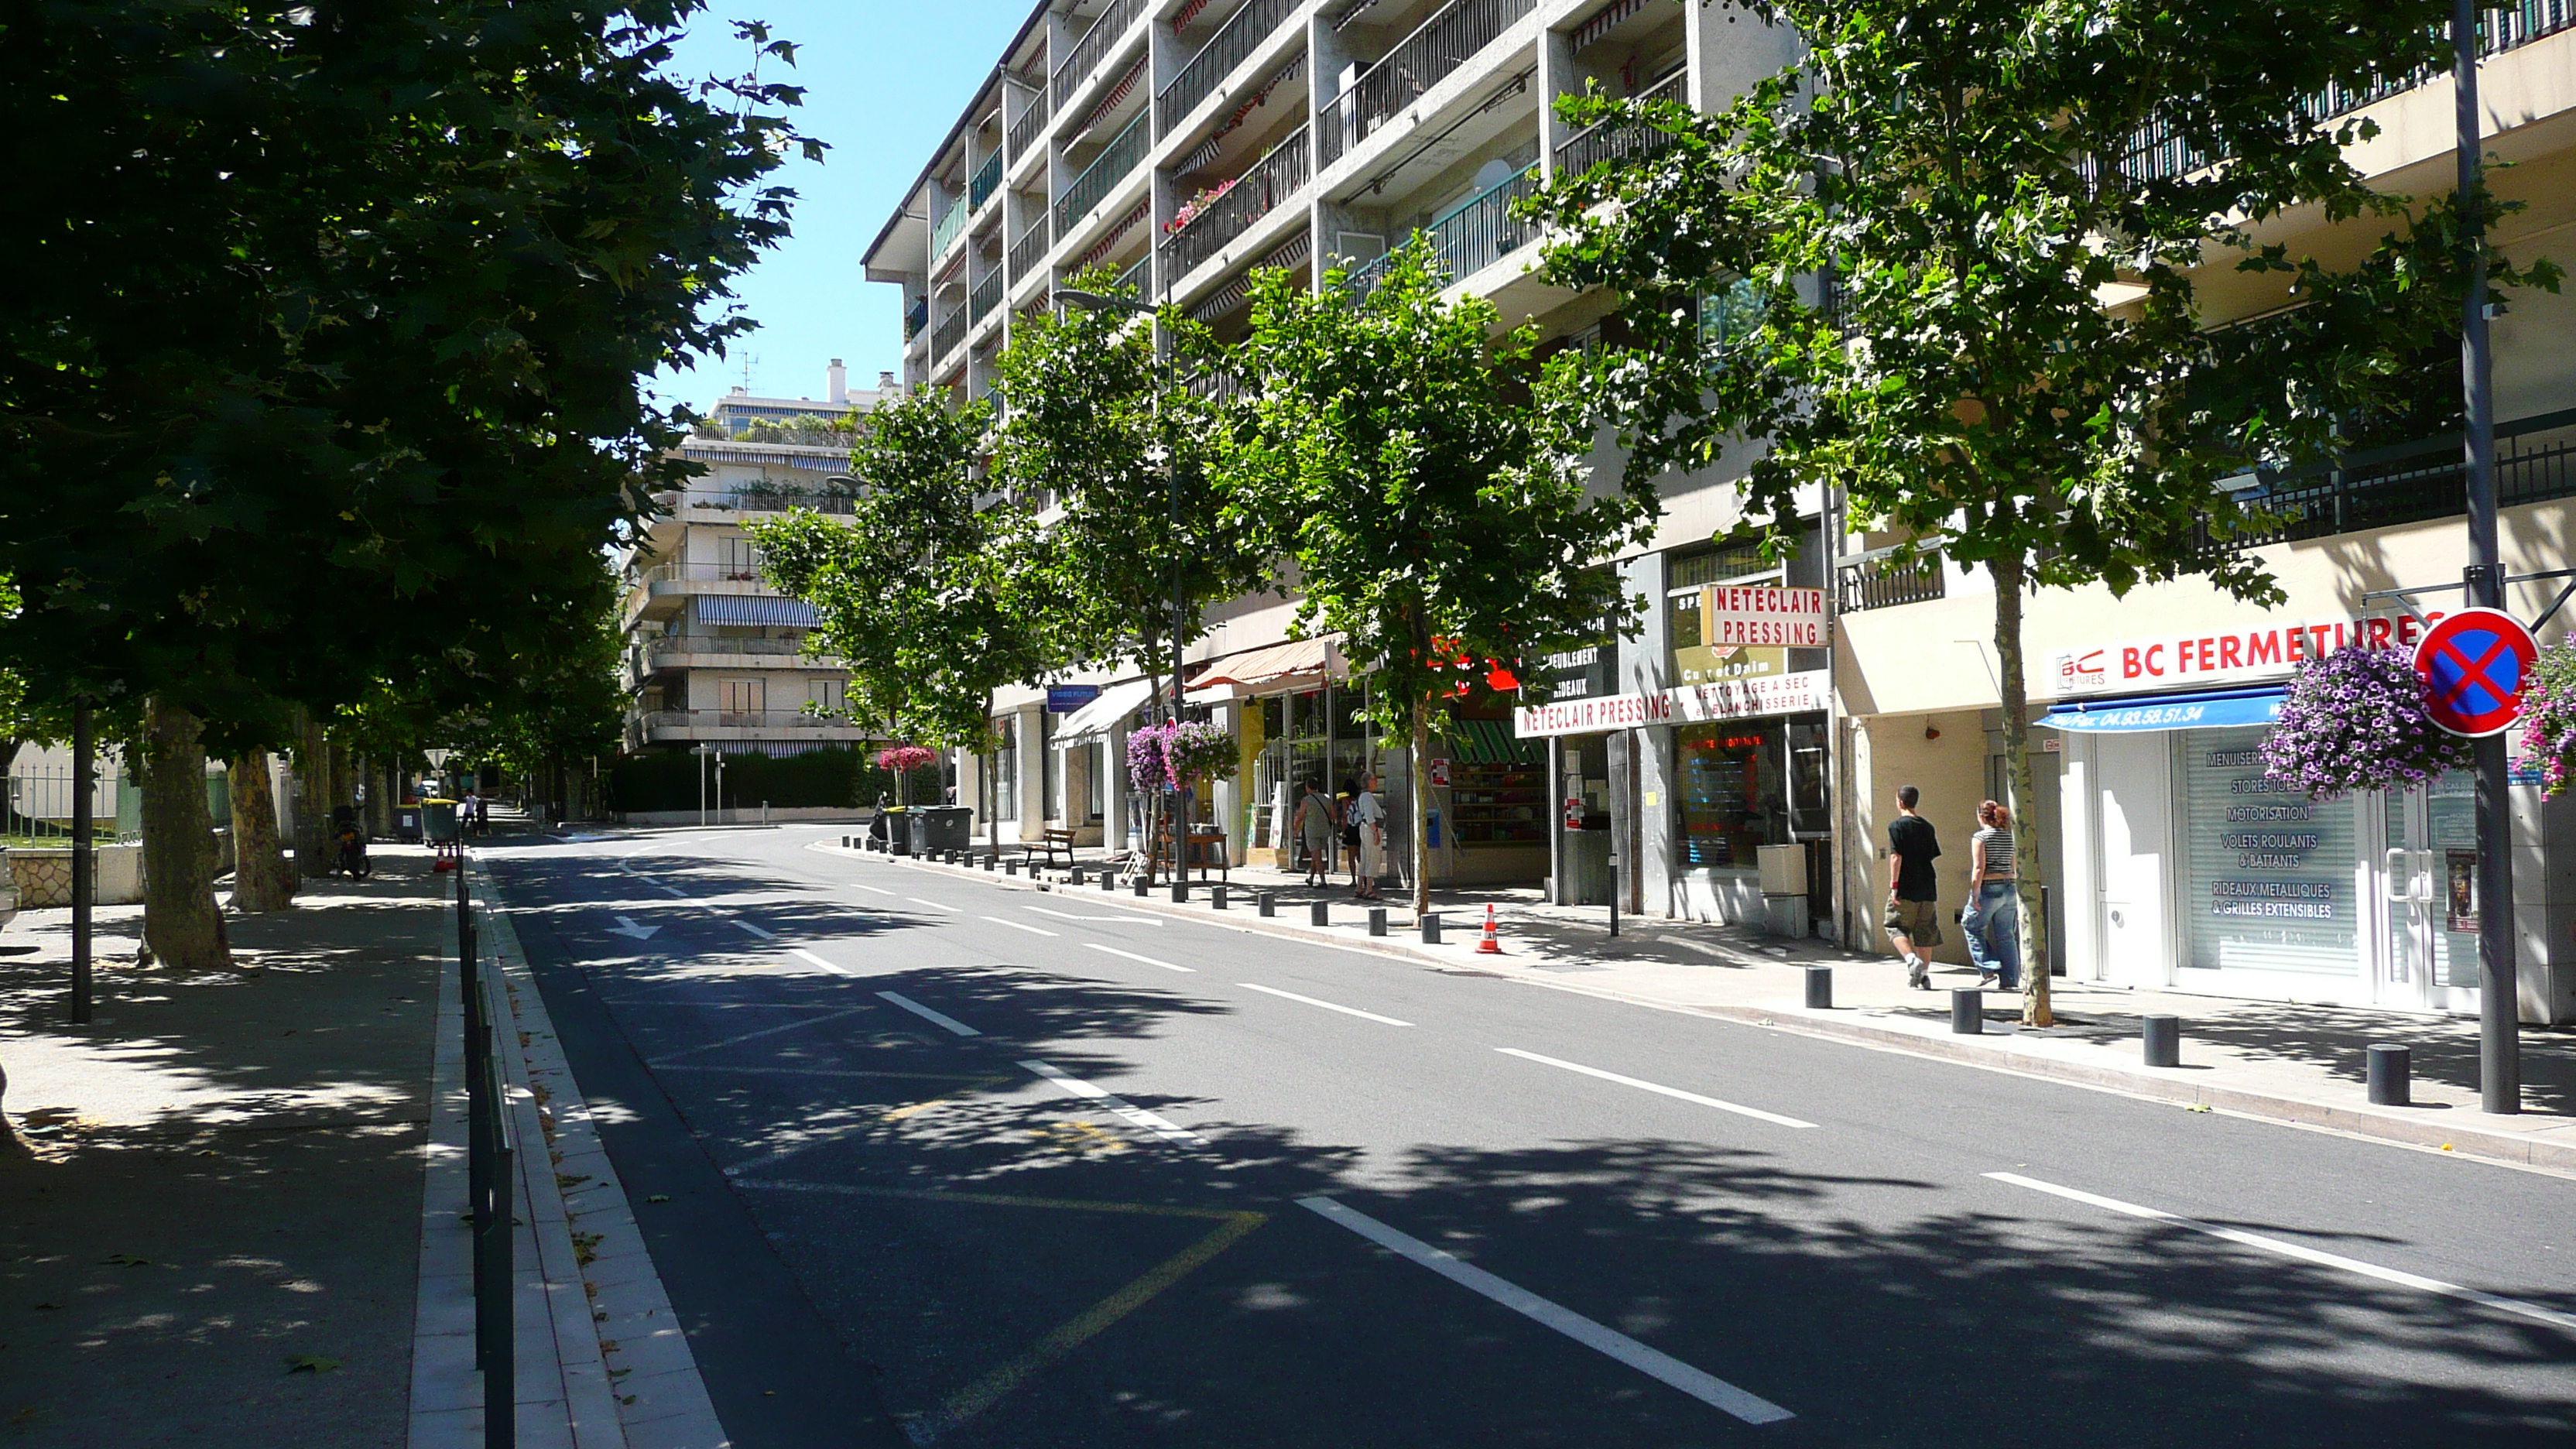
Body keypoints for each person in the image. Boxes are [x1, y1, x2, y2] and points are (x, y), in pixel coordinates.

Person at [1884, 784, 1944, 988]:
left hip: (1906, 886)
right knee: (1925, 931)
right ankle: (1924, 975)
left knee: (1894, 926)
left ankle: (1911, 960)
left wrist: (1894, 886)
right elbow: (1931, 855)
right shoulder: (1927, 827)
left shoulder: (1896, 826)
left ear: (1900, 802)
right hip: (1927, 885)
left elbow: (1895, 857)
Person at [1963, 800, 2021, 989]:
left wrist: (1975, 893)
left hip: (1989, 886)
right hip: (2010, 885)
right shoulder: (2009, 837)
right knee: (2006, 935)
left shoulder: (1980, 837)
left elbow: (1979, 868)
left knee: (1972, 925)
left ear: (1981, 816)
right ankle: (2011, 979)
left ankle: (1987, 968)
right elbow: (2013, 865)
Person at [1350, 775, 1388, 902]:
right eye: (1374, 780)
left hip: (1366, 828)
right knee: (1374, 857)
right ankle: (1369, 889)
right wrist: (1375, 831)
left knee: (1366, 857)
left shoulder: (1365, 796)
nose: (1376, 782)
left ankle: (1360, 886)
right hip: (1371, 828)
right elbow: (1369, 815)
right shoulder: (1367, 797)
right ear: (1368, 782)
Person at [1294, 780, 1337, 888]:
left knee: (1317, 857)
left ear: (1308, 788)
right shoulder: (1326, 799)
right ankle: (1311, 878)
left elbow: (1300, 816)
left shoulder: (1306, 800)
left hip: (1312, 831)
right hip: (1324, 830)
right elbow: (1333, 815)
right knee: (1315, 855)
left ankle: (1323, 881)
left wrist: (1295, 829)